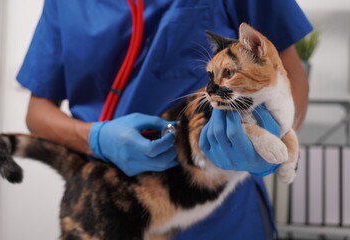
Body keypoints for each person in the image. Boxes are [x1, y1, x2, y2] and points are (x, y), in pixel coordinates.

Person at [17, 0, 312, 239]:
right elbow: (37, 112)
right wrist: (96, 138)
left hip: (224, 218)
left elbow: (288, 71)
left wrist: (276, 130)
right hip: (117, 202)